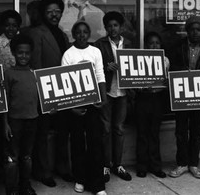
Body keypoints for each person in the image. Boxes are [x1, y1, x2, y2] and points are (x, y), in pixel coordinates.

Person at [167, 16, 200, 180]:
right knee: (181, 131)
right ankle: (182, 164)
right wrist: (184, 72)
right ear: (187, 30)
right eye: (192, 29)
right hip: (182, 94)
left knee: (197, 131)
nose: (195, 32)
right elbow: (171, 67)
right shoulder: (177, 46)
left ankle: (193, 164)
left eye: (198, 29)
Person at [61, 21, 107, 195]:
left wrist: (103, 98)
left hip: (94, 102)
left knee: (96, 142)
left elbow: (100, 74)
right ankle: (80, 179)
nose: (81, 35)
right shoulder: (68, 54)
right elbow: (64, 81)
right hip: (76, 104)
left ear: (89, 34)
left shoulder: (95, 51)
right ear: (73, 34)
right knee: (77, 142)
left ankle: (98, 185)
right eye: (78, 32)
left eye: (85, 32)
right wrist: (71, 106)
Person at [29, 0, 71, 187]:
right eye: (49, 12)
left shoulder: (62, 34)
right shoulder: (37, 33)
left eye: (57, 11)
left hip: (63, 90)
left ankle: (62, 168)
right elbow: (36, 65)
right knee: (44, 134)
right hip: (45, 92)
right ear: (43, 14)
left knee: (63, 131)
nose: (54, 15)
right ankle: (44, 172)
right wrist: (43, 95)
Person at [94, 11, 132, 182]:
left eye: (115, 25)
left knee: (118, 129)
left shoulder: (129, 43)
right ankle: (105, 165)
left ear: (121, 27)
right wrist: (104, 66)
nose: (112, 28)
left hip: (123, 93)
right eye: (109, 26)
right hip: (107, 91)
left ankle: (118, 164)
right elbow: (93, 66)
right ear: (105, 27)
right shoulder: (99, 44)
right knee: (105, 129)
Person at [3, 34, 39, 195]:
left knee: (27, 157)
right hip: (14, 122)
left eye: (27, 53)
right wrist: (5, 123)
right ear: (13, 53)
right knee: (13, 158)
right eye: (20, 52)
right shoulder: (8, 74)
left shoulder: (35, 73)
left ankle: (25, 186)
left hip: (32, 120)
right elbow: (4, 102)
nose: (23, 56)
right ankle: (12, 189)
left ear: (31, 54)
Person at [135, 32, 169, 179]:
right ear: (146, 45)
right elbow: (132, 82)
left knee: (154, 134)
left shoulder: (166, 60)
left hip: (157, 98)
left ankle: (155, 166)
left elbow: (166, 81)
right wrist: (141, 88)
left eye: (157, 43)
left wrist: (167, 84)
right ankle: (142, 166)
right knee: (142, 134)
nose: (154, 45)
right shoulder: (139, 60)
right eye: (151, 43)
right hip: (143, 99)